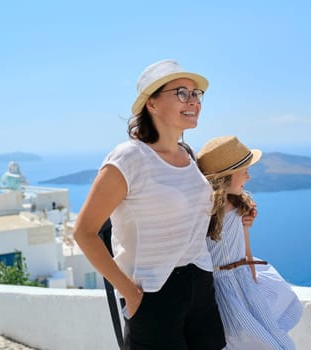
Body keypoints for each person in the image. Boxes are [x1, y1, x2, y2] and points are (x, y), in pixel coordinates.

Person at [73, 59, 226, 350]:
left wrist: (239, 210)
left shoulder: (188, 155)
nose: (193, 100)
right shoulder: (128, 158)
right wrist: (130, 293)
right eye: (181, 92)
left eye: (196, 94)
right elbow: (84, 232)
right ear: (152, 104)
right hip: (153, 293)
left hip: (200, 285)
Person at [197, 136, 303, 350]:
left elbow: (244, 248)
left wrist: (251, 275)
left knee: (268, 337)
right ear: (226, 177)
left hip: (243, 282)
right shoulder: (202, 213)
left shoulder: (239, 206)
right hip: (219, 288)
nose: (249, 176)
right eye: (243, 171)